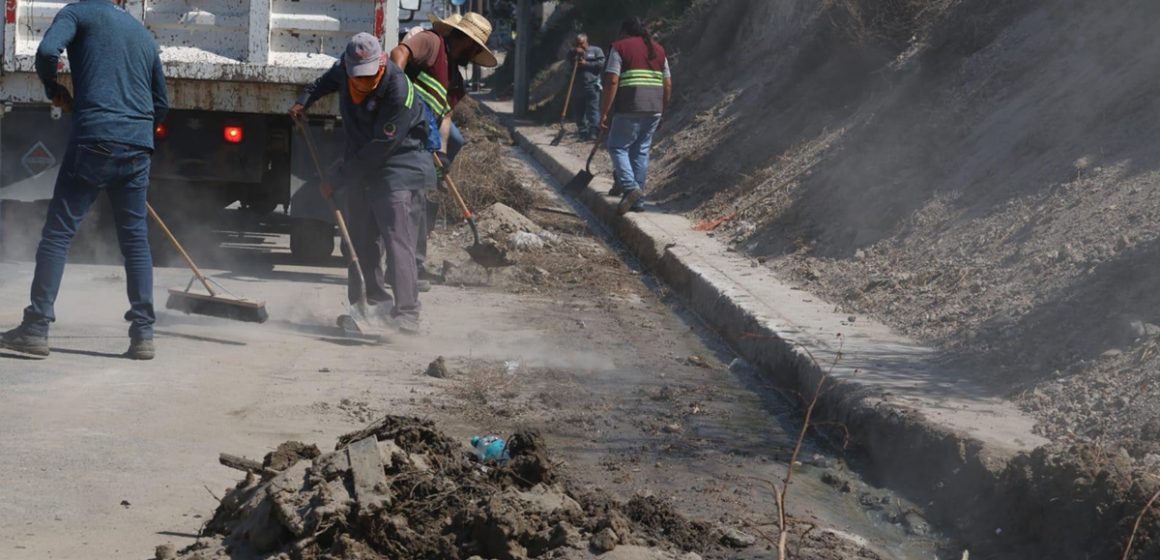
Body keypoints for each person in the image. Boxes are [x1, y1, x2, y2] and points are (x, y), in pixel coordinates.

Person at [0, 0, 168, 360]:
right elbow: (161, 102)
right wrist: (132, 136)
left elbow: (47, 51)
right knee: (136, 242)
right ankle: (143, 335)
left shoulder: (77, 13)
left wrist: (52, 88)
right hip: (138, 145)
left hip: (95, 139)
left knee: (59, 234)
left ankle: (36, 326)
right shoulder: (142, 34)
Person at [289, 33, 434, 333]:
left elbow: (382, 147)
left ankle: (407, 314)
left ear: (381, 63)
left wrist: (338, 178)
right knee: (357, 238)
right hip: (361, 159)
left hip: (398, 161)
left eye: (368, 77)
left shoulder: (399, 89)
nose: (361, 83)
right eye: (356, 77)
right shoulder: (344, 68)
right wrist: (303, 101)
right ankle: (367, 306)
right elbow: (321, 84)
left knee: (395, 236)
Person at [391, 12, 497, 281]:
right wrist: (396, 96)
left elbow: (446, 117)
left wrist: (441, 152)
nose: (473, 57)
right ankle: (402, 268)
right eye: (475, 50)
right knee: (409, 199)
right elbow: (398, 54)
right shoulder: (432, 42)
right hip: (402, 130)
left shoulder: (456, 80)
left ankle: (414, 263)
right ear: (469, 43)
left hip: (425, 136)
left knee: (422, 200)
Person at [600, 17, 672, 215]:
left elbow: (612, 81)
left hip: (630, 106)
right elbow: (667, 84)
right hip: (654, 107)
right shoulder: (659, 50)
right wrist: (662, 109)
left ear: (624, 31)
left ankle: (630, 188)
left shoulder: (619, 47)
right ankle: (637, 202)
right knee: (640, 151)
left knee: (617, 146)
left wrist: (604, 111)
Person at [571, 34, 605, 141]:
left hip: (592, 85)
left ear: (586, 42)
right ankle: (582, 133)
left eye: (581, 44)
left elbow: (601, 64)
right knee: (578, 111)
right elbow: (568, 60)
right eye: (577, 44)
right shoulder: (573, 52)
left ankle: (594, 131)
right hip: (577, 86)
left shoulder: (595, 50)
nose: (579, 46)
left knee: (593, 109)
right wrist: (575, 53)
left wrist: (586, 64)